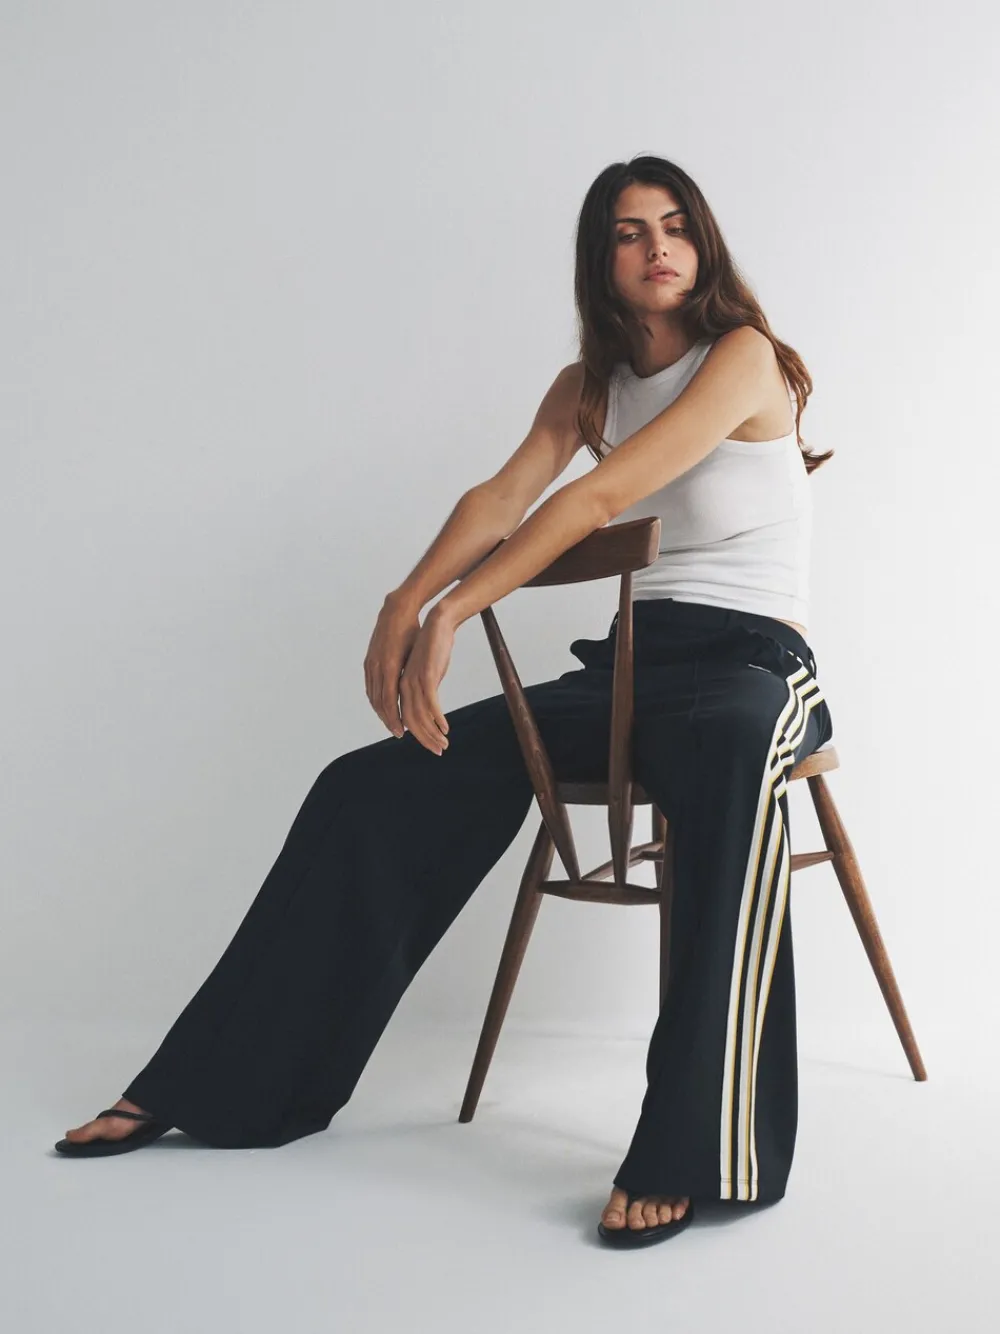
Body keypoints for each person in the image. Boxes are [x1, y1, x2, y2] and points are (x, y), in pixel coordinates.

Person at [54, 154, 835, 1251]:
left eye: (675, 225)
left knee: (733, 762)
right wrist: (405, 597)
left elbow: (602, 496)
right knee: (366, 786)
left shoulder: (741, 353)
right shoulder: (587, 385)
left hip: (752, 666)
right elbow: (503, 495)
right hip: (631, 667)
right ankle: (219, 1084)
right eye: (628, 231)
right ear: (600, 259)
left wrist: (458, 610)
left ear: (702, 243)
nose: (657, 246)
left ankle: (699, 1150)